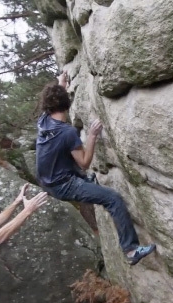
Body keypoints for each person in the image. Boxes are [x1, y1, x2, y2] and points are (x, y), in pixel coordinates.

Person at [35, 72, 156, 266]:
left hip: (47, 181)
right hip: (63, 185)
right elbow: (84, 162)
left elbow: (57, 100)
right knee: (113, 199)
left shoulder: (43, 122)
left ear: (48, 105)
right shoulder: (67, 132)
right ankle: (131, 249)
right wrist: (91, 136)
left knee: (80, 173)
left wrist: (61, 83)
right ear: (67, 103)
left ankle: (87, 183)